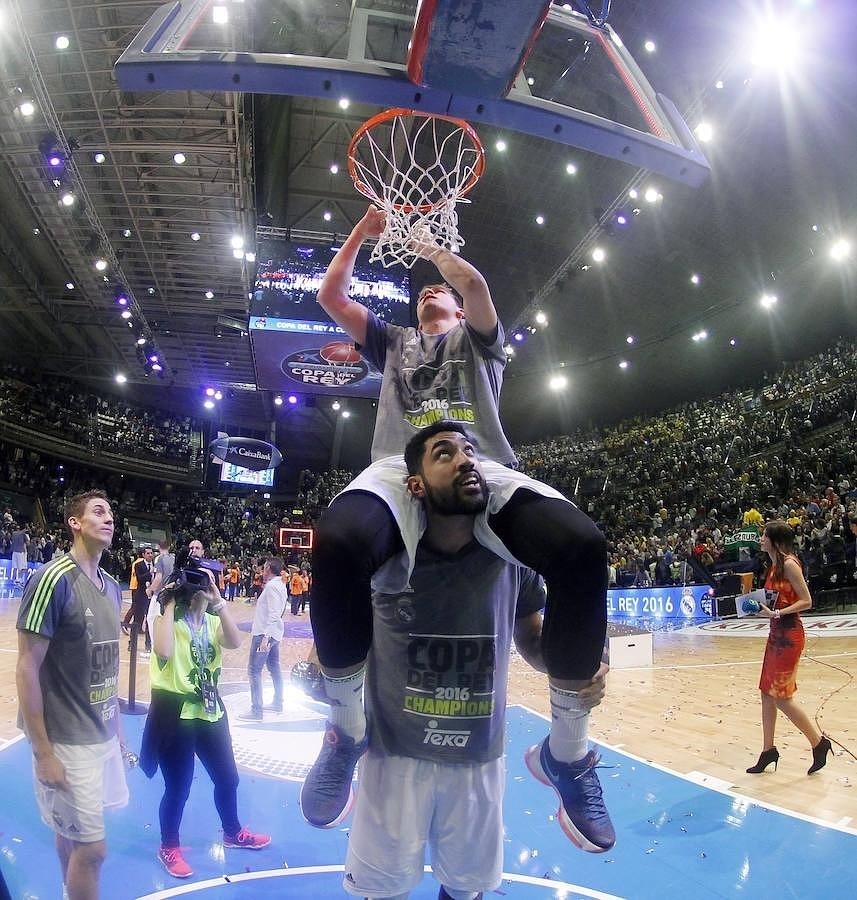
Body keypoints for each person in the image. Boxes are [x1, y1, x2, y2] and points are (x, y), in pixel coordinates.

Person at [302, 207, 610, 849]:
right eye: (421, 292)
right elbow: (330, 295)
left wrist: (431, 251)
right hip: (397, 470)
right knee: (334, 543)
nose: (429, 291)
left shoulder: (478, 340)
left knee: (582, 547)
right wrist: (365, 231)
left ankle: (568, 754)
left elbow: (476, 290)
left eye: (437, 290)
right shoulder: (391, 343)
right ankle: (347, 732)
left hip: (479, 467)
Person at [338, 423, 610, 900]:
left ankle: (564, 758)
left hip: (478, 756)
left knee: (466, 891)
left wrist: (580, 667)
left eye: (470, 450)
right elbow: (348, 634)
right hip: (393, 755)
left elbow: (533, 643)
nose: (466, 459)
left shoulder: (511, 556)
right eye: (445, 453)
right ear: (415, 484)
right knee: (382, 892)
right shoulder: (387, 554)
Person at [15, 490, 129, 900]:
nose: (109, 517)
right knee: (93, 850)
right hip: (65, 740)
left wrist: (116, 728)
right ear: (74, 523)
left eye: (112, 512)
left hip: (100, 734)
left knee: (71, 833)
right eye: (99, 511)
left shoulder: (113, 586)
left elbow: (107, 665)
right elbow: (26, 667)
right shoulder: (52, 578)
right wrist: (44, 752)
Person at [139, 545, 270, 879]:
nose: (199, 586)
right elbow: (164, 649)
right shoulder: (166, 619)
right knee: (179, 787)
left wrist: (218, 599)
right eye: (195, 581)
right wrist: (168, 599)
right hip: (176, 715)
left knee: (228, 778)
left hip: (211, 712)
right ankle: (169, 845)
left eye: (205, 580)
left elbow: (236, 642)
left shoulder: (212, 621)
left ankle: (232, 832)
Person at [745, 520, 833, 776]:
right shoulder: (772, 566)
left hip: (790, 635)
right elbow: (774, 601)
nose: (760, 539)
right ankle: (768, 750)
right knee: (765, 693)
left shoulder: (790, 564)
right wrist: (756, 606)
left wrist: (777, 612)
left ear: (774, 540)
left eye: (764, 535)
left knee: (782, 699)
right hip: (776, 633)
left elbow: (807, 600)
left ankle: (819, 743)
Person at [240, 557, 289, 720]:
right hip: (273, 633)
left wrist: (265, 637)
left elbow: (275, 613)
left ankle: (256, 710)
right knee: (274, 668)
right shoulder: (280, 585)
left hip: (264, 634)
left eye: (265, 566)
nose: (263, 568)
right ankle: (277, 702)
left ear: (268, 568)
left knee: (254, 670)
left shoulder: (273, 587)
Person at [124, 547, 153, 653]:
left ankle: (148, 645)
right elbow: (140, 579)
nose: (150, 555)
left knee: (149, 621)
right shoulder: (138, 565)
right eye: (148, 553)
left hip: (151, 597)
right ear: (144, 555)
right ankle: (132, 643)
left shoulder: (156, 565)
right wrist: (150, 572)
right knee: (137, 621)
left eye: (151, 553)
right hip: (140, 595)